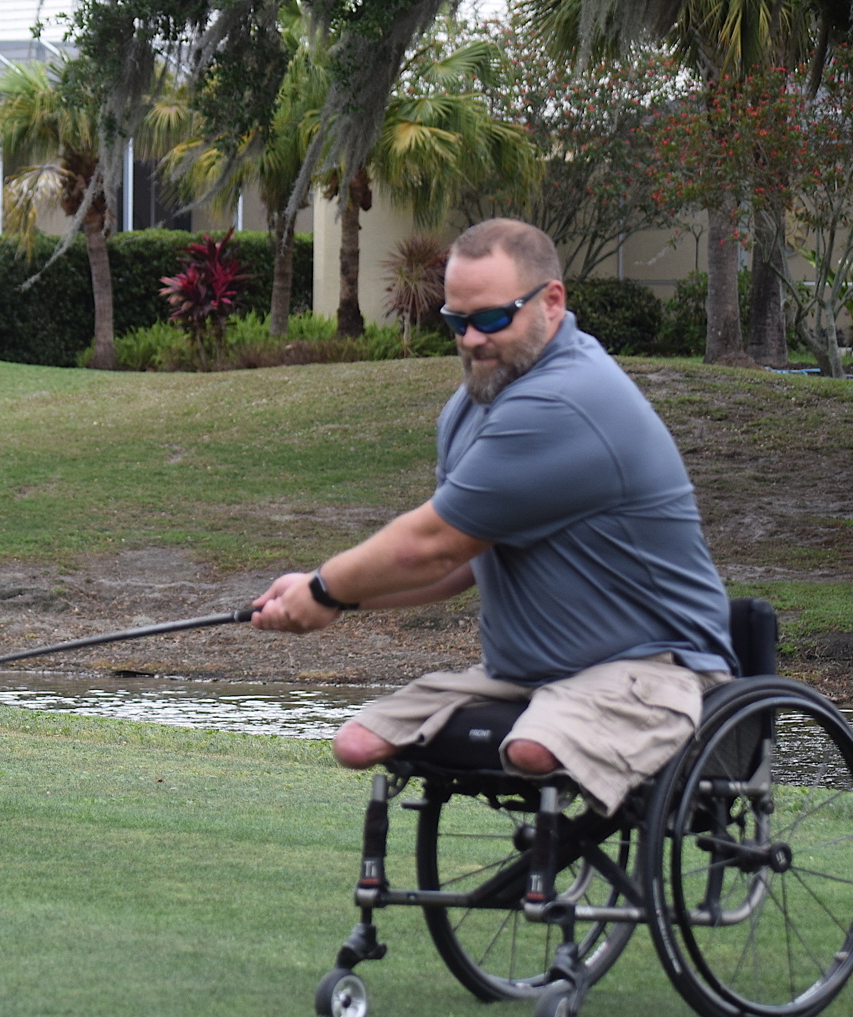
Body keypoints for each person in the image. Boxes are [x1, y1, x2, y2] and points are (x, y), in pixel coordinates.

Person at [251, 217, 736, 813]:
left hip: (654, 667)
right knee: (356, 743)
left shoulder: (566, 399)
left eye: (491, 319)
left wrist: (324, 589)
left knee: (530, 748)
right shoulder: (470, 405)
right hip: (530, 674)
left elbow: (431, 544)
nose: (472, 339)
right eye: (457, 322)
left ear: (551, 302)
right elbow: (457, 564)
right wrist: (327, 598)